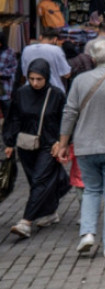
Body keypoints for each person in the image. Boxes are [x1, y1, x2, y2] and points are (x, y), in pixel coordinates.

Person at [55, 39, 105, 257]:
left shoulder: (79, 80)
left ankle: (88, 233)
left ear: (92, 58)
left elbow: (69, 112)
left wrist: (63, 144)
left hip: (85, 144)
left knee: (91, 190)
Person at [3, 59, 69, 238]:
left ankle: (26, 222)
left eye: (39, 79)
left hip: (49, 144)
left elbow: (65, 119)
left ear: (46, 77)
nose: (35, 82)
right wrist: (9, 142)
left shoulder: (56, 95)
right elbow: (14, 117)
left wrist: (61, 142)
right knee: (36, 180)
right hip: (26, 144)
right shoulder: (21, 93)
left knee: (40, 179)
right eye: (31, 78)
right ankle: (50, 211)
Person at [21, 28, 72, 93]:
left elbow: (25, 74)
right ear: (55, 39)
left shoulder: (26, 50)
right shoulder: (56, 50)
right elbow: (66, 74)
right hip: (53, 90)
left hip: (31, 89)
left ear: (40, 37)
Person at [0, 37, 17, 115]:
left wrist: (3, 73)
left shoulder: (10, 52)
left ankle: (8, 126)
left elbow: (14, 67)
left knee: (7, 109)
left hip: (5, 84)